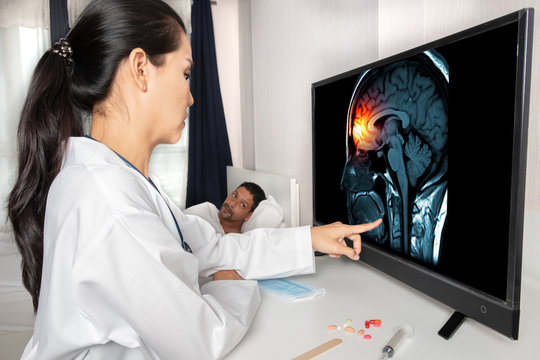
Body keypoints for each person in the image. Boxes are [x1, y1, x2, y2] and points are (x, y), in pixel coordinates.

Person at [7, 0, 382, 359]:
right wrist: (231, 285)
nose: (190, 97)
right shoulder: (108, 204)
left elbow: (213, 249)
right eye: (185, 74)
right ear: (140, 68)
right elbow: (202, 340)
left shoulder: (117, 181)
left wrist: (310, 239)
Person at [185, 182, 269, 235]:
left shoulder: (238, 243)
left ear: (248, 216)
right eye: (235, 195)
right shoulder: (205, 211)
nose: (232, 203)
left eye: (242, 204)